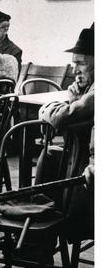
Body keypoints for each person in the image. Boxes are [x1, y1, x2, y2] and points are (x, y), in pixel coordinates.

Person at [39, 27, 94, 241]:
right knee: (50, 155)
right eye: (73, 63)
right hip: (84, 160)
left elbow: (63, 118)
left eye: (80, 63)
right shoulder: (88, 89)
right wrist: (74, 97)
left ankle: (42, 238)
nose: (74, 70)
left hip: (92, 169)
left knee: (51, 156)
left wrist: (46, 109)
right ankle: (40, 236)